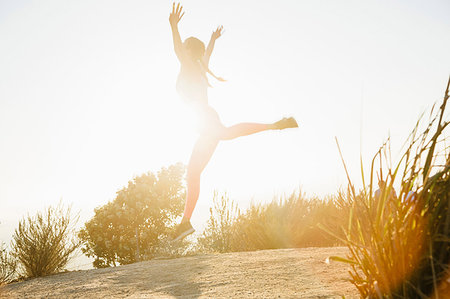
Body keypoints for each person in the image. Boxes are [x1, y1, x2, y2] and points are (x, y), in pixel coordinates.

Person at [169, 3, 298, 241]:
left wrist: (173, 27)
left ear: (188, 51)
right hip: (206, 119)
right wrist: (212, 40)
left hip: (205, 119)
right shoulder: (198, 65)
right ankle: (185, 223)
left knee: (200, 165)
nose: (182, 50)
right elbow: (204, 54)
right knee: (195, 170)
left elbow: (178, 49)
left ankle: (185, 222)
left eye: (185, 48)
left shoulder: (189, 64)